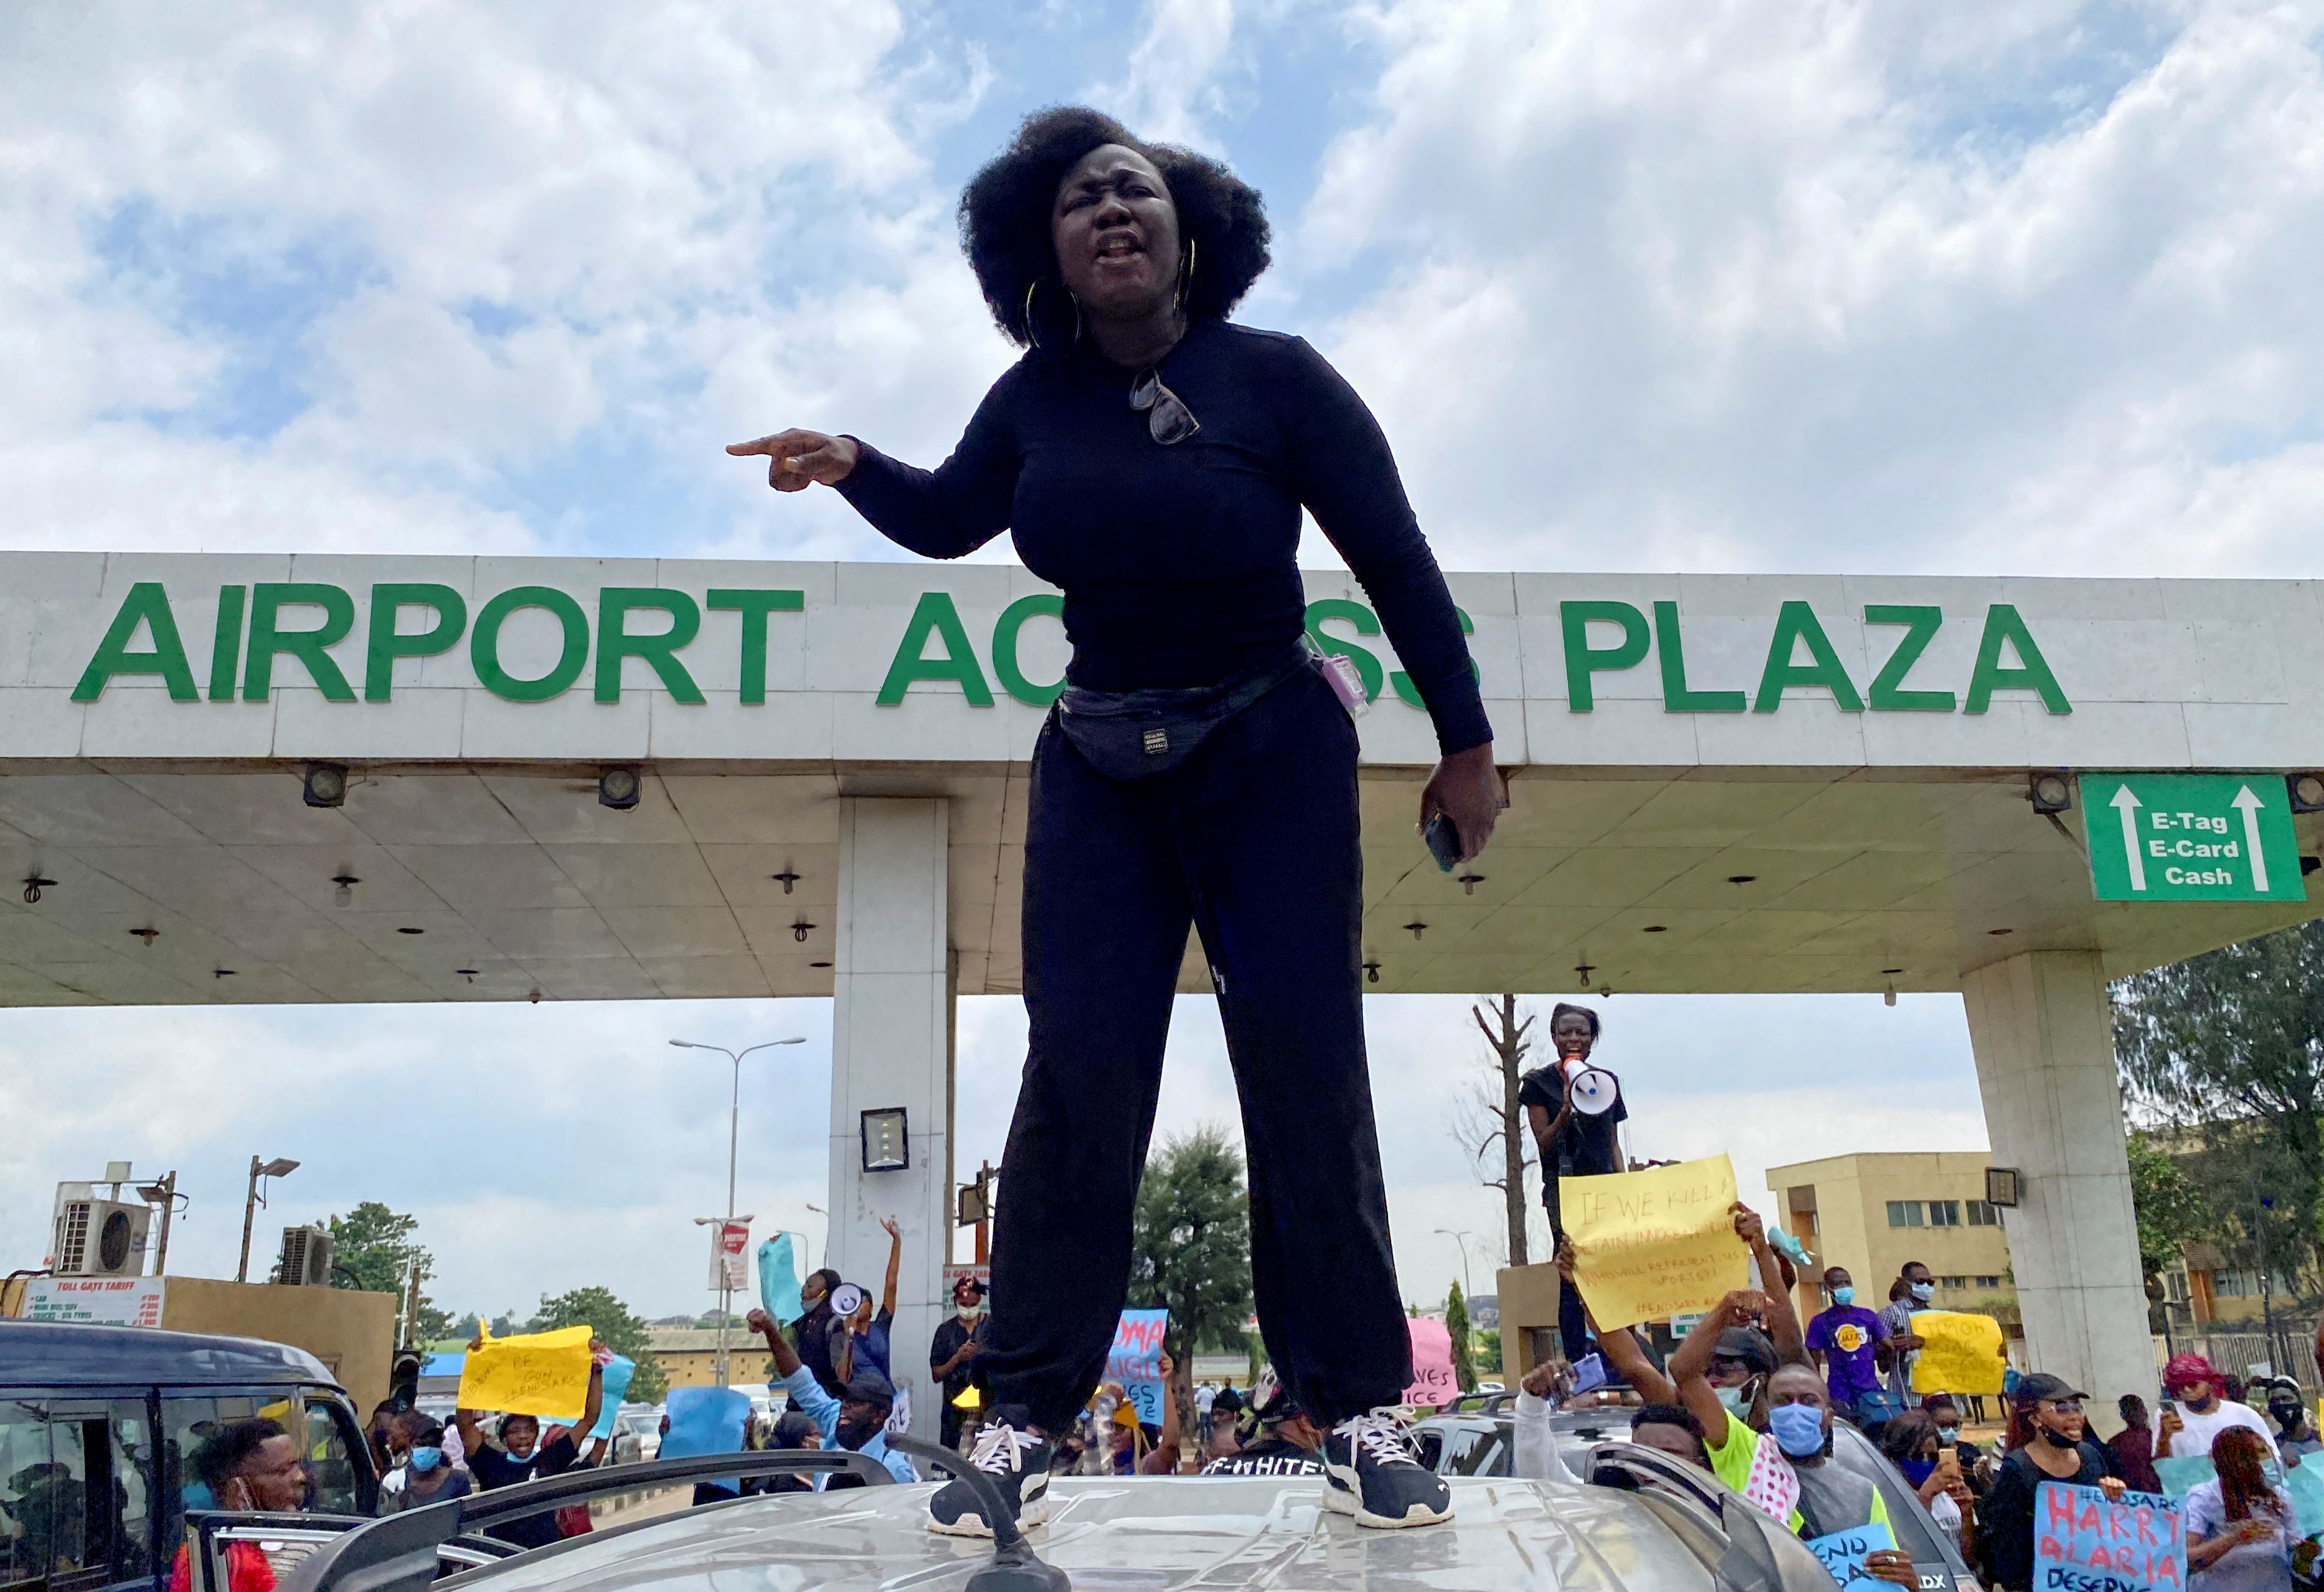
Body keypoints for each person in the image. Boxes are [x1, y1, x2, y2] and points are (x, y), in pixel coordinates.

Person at [727, 105, 1494, 1538]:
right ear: (1047, 253)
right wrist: (852, 462)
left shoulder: (1279, 381)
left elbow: (1393, 553)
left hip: (1270, 741)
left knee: (1304, 1062)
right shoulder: (1033, 400)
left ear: (1189, 226)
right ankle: (1021, 1417)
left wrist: (1465, 741)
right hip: (1097, 758)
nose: (1113, 212)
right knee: (1077, 1081)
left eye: (1134, 188)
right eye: (1082, 202)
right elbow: (955, 515)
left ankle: (1362, 1406)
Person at [1519, 1003, 1625, 1357]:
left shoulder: (1605, 1081)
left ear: (1592, 1040)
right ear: (1554, 1038)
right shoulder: (1537, 1084)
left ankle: (1621, 1356)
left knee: (1612, 1272)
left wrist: (1625, 1188)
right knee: (1569, 1274)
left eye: (1582, 1032)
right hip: (1566, 1191)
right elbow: (1544, 1145)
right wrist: (1565, 1108)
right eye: (1566, 1032)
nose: (1574, 1038)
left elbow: (1612, 1142)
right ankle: (1577, 1361)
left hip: (1604, 1190)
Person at [452, 1339, 607, 1550]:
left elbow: (589, 1419)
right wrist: (473, 1368)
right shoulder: (490, 1464)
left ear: (536, 1433)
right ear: (504, 1438)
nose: (523, 1436)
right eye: (515, 1431)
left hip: (542, 1559)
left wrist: (596, 1370)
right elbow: (464, 1425)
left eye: (529, 1430)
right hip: (498, 1560)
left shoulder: (550, 1460)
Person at [1978, 1374, 2126, 1592]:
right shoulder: (2018, 1470)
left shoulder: (2091, 1457)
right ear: (2034, 1418)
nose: (2075, 1416)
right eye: (2062, 1408)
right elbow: (2009, 1549)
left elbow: (2110, 1526)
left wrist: (2114, 1498)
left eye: (2077, 1407)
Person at [745, 1307, 917, 1486]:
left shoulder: (892, 1469)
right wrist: (770, 1330)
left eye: (856, 1402)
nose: (845, 1406)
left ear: (879, 1416)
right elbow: (801, 1382)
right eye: (845, 1399)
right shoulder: (838, 1422)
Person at [168, 1421, 307, 1592]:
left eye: (297, 1466)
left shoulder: (312, 1536)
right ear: (238, 1488)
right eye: (282, 1471)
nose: (301, 1477)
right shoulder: (207, 1560)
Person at [2185, 1425, 2295, 1592]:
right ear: (2237, 1461)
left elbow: (2294, 1551)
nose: (2268, 1459)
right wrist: (2236, 1537)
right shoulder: (2204, 1498)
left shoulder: (2281, 1498)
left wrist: (2305, 1555)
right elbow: (2188, 1561)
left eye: (2267, 1451)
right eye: (2259, 1453)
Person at [836, 1218, 909, 1433]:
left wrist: (897, 1242)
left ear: (871, 1306)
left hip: (886, 1398)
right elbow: (843, 1377)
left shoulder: (881, 1326)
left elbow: (892, 1283)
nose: (857, 1307)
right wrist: (849, 1334)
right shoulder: (842, 1337)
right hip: (860, 1402)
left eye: (863, 1301)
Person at [1879, 1410, 1974, 1557]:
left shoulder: (1949, 1492)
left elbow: (1968, 1559)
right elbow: (1915, 1555)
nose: (1926, 1462)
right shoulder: (1889, 1501)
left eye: (1933, 1456)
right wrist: (1924, 1500)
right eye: (1918, 1456)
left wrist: (1966, 1514)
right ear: (1894, 1459)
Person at [1805, 1267, 1890, 1427]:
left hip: (1871, 1391)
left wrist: (1886, 1349)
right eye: (1838, 1284)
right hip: (1840, 1394)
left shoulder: (1868, 1316)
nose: (1844, 1287)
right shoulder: (1820, 1322)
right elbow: (1812, 1364)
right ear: (1828, 1288)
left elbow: (1886, 1345)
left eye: (1847, 1282)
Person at [2160, 1354, 2280, 1462]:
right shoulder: (2168, 1417)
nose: (2186, 1390)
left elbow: (2274, 1462)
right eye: (2179, 1386)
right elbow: (2162, 1467)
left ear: (2210, 1383)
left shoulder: (2244, 1415)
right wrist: (2164, 1438)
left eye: (2193, 1384)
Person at [930, 1274, 993, 1451]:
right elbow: (936, 1375)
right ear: (956, 1301)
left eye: (973, 1305)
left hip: (986, 1410)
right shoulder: (944, 1332)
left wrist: (980, 1353)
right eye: (964, 1305)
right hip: (955, 1413)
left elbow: (1004, 1364)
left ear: (980, 1300)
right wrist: (957, 1358)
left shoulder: (990, 1327)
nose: (968, 1309)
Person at [377, 1418, 473, 1514]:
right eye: (420, 1444)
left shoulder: (457, 1480)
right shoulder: (395, 1480)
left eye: (434, 1444)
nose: (427, 1449)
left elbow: (467, 1520)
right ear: (411, 1446)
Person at [1878, 1262, 1933, 1403]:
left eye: (1930, 1282)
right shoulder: (1891, 1314)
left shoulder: (1937, 1315)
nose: (1926, 1286)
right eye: (1920, 1282)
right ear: (1906, 1283)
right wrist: (1896, 1346)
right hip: (1905, 1396)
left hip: (1935, 1395)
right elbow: (1882, 1365)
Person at [791, 1269, 848, 1399]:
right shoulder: (801, 1323)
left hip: (825, 1400)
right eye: (805, 1285)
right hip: (800, 1399)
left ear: (824, 1294)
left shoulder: (835, 1325)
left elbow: (841, 1371)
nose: (803, 1289)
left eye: (810, 1286)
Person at [2109, 1393, 2165, 1494]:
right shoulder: (2157, 1437)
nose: (2138, 1413)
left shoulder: (2115, 1442)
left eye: (2139, 1409)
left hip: (2134, 1498)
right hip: (2142, 1496)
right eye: (2135, 1410)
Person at [2260, 1380, 2322, 1460]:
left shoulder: (2320, 1441)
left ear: (2300, 1402)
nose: (2281, 1404)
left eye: (2286, 1398)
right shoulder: (2274, 1449)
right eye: (2275, 1401)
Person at [1194, 1380, 1218, 1448]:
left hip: (1203, 1410)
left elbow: (1197, 1400)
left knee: (1202, 1425)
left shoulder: (1201, 1392)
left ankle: (1202, 1439)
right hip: (1209, 1411)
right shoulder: (1211, 1392)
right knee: (1209, 1425)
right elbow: (1214, 1398)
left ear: (1204, 1385)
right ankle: (1210, 1439)